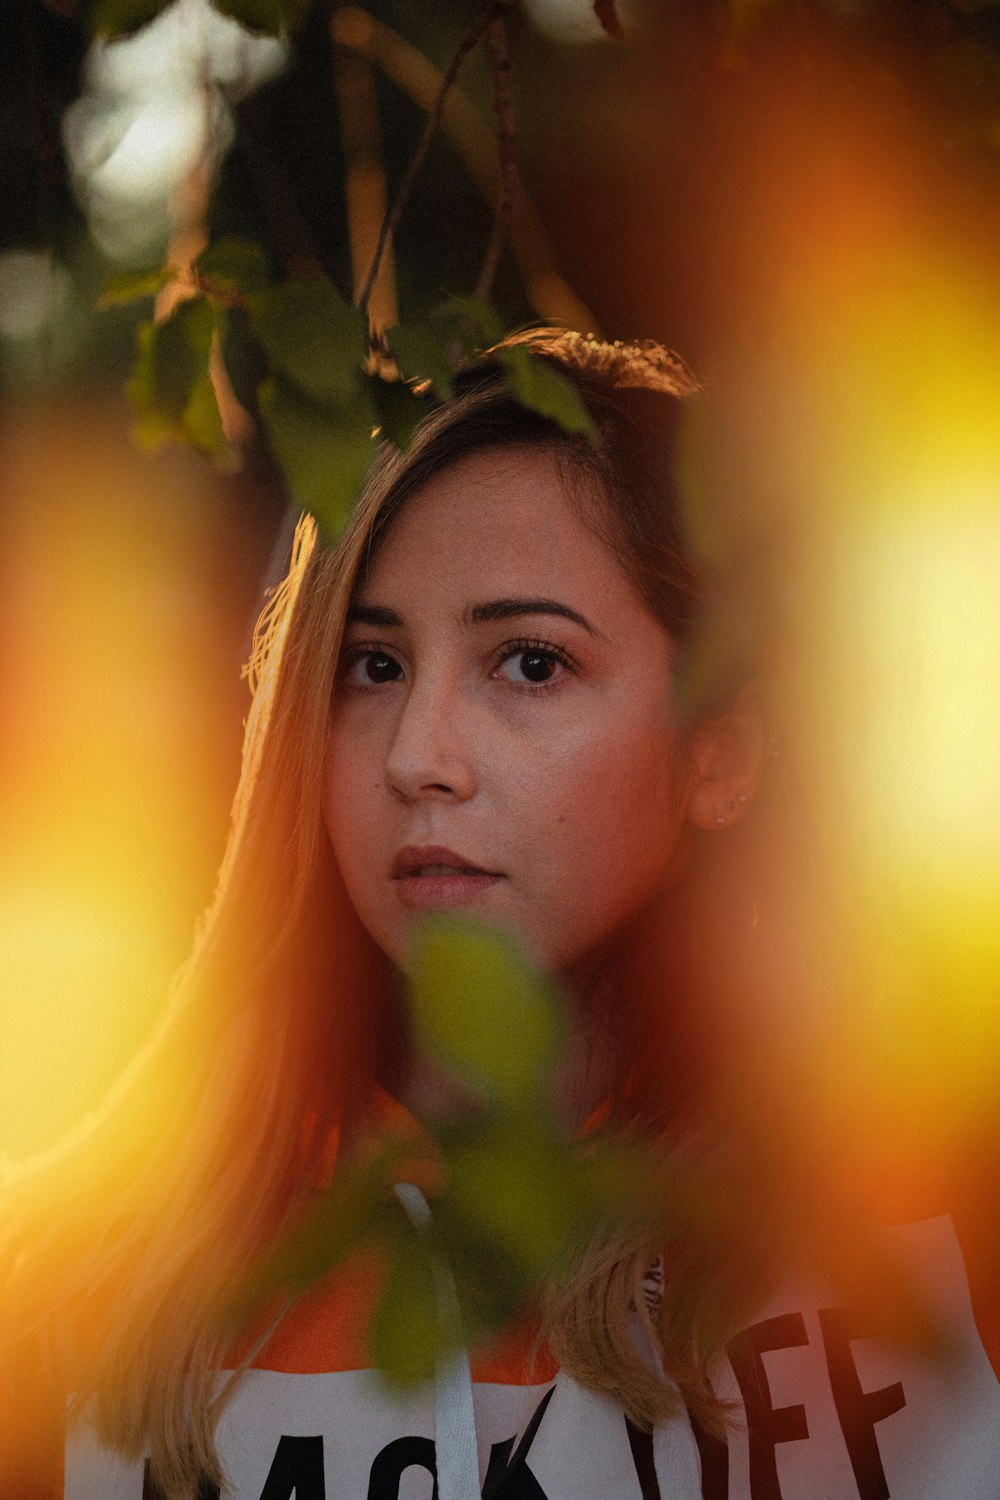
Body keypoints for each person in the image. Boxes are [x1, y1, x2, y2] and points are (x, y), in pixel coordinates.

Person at [3, 329, 1000, 1500]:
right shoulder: (63, 1284)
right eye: (372, 668)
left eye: (529, 664)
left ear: (723, 748)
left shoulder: (933, 1227)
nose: (421, 759)